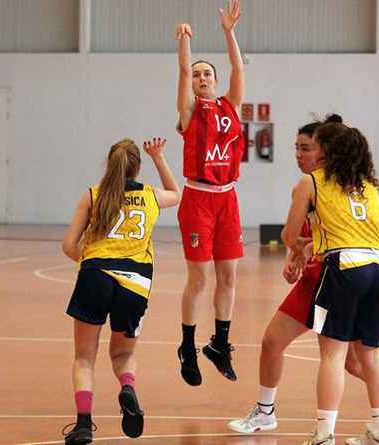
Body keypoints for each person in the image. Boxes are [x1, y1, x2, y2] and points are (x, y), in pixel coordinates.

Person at [227, 117, 379, 437]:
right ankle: (265, 411)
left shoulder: (320, 184)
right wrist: (296, 255)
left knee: (347, 361)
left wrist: (299, 248)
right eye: (296, 148)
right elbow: (315, 237)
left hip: (337, 276)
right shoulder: (351, 185)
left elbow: (300, 236)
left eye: (307, 148)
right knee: (272, 341)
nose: (300, 154)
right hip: (330, 276)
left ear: (325, 151)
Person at [281, 119, 379, 445]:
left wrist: (298, 247)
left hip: (343, 268)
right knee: (371, 356)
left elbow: (289, 234)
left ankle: (324, 434)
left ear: (326, 151)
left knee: (332, 356)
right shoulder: (368, 185)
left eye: (315, 146)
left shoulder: (312, 182)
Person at [61, 138, 180, 445]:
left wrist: (92, 263)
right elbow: (176, 193)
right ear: (137, 168)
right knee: (123, 353)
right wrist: (158, 157)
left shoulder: (93, 195)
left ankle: (83, 424)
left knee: (84, 358)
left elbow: (69, 246)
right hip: (135, 282)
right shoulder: (150, 195)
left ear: (109, 165)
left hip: (95, 276)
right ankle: (127, 388)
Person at [174, 0, 245, 387]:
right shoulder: (190, 109)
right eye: (198, 74)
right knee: (199, 279)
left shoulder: (230, 105)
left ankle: (219, 344)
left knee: (229, 277)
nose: (202, 77)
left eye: (207, 74)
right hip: (198, 199)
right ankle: (188, 346)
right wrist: (185, 41)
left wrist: (229, 32)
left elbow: (237, 68)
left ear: (216, 81)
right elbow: (184, 70)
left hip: (227, 199)